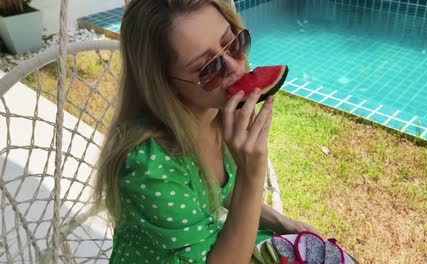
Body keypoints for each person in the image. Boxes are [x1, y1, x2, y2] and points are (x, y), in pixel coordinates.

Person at [93, 0, 321, 263]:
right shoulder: (150, 166)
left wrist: (283, 222)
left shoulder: (218, 113)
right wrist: (252, 173)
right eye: (209, 67)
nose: (236, 68)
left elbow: (226, 191)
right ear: (164, 84)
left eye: (233, 44)